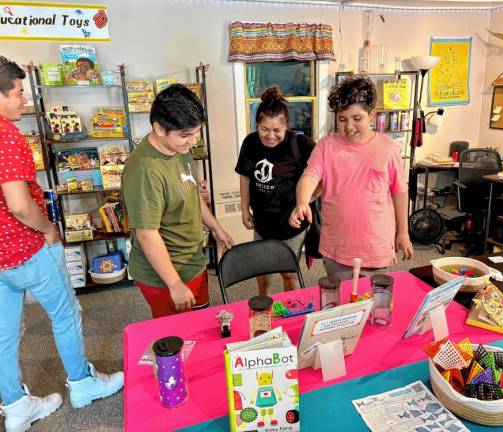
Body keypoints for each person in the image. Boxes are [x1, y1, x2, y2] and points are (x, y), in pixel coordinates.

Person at [0, 56, 124, 432]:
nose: (24, 100)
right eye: (19, 92)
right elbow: (19, 205)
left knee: (4, 334)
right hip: (28, 249)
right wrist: (48, 230)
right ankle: (82, 384)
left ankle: (15, 405)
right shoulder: (8, 137)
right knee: (66, 314)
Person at [122, 84, 234, 318]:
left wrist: (216, 228)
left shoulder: (181, 148)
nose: (192, 141)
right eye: (185, 135)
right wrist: (174, 284)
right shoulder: (145, 171)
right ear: (159, 128)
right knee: (175, 339)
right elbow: (146, 234)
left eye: (196, 133)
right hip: (164, 274)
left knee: (200, 323)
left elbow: (191, 193)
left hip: (193, 259)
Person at [289, 76, 413, 280]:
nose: (349, 126)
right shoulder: (326, 146)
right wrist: (302, 202)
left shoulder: (388, 147)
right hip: (338, 246)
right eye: (342, 119)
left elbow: (400, 191)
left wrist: (403, 232)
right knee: (340, 305)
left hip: (375, 245)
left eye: (357, 118)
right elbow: (309, 177)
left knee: (374, 302)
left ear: (371, 116)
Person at [235, 87, 315, 295]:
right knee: (262, 270)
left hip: (291, 224)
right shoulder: (250, 142)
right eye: (264, 129)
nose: (270, 136)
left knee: (288, 272)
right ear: (257, 125)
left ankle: (293, 307)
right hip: (262, 222)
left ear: (286, 126)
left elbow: (323, 174)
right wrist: (244, 209)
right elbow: (245, 176)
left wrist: (305, 202)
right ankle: (264, 304)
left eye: (277, 130)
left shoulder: (300, 144)